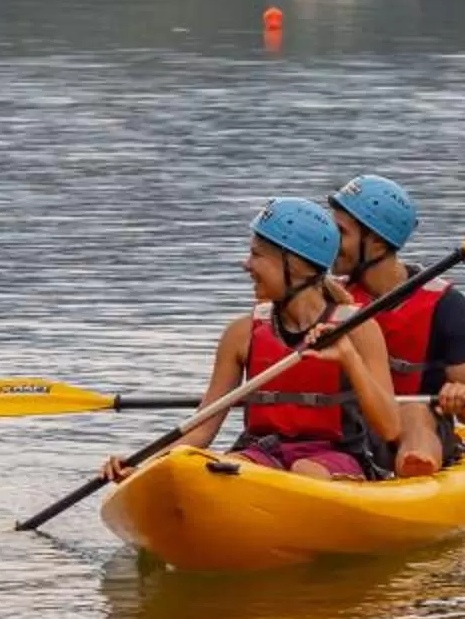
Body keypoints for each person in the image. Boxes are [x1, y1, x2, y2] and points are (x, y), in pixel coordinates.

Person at [103, 197, 401, 484]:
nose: (246, 265)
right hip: (263, 454)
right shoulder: (241, 334)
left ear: (294, 264)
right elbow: (200, 430)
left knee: (305, 470)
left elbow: (389, 428)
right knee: (217, 467)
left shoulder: (359, 330)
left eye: (257, 255)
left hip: (335, 458)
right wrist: (142, 464)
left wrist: (348, 358)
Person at [327, 173, 465, 477]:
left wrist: (463, 397)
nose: (328, 240)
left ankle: (416, 465)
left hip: (420, 424)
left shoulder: (447, 306)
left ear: (377, 244)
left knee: (415, 411)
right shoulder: (329, 298)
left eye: (340, 232)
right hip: (346, 429)